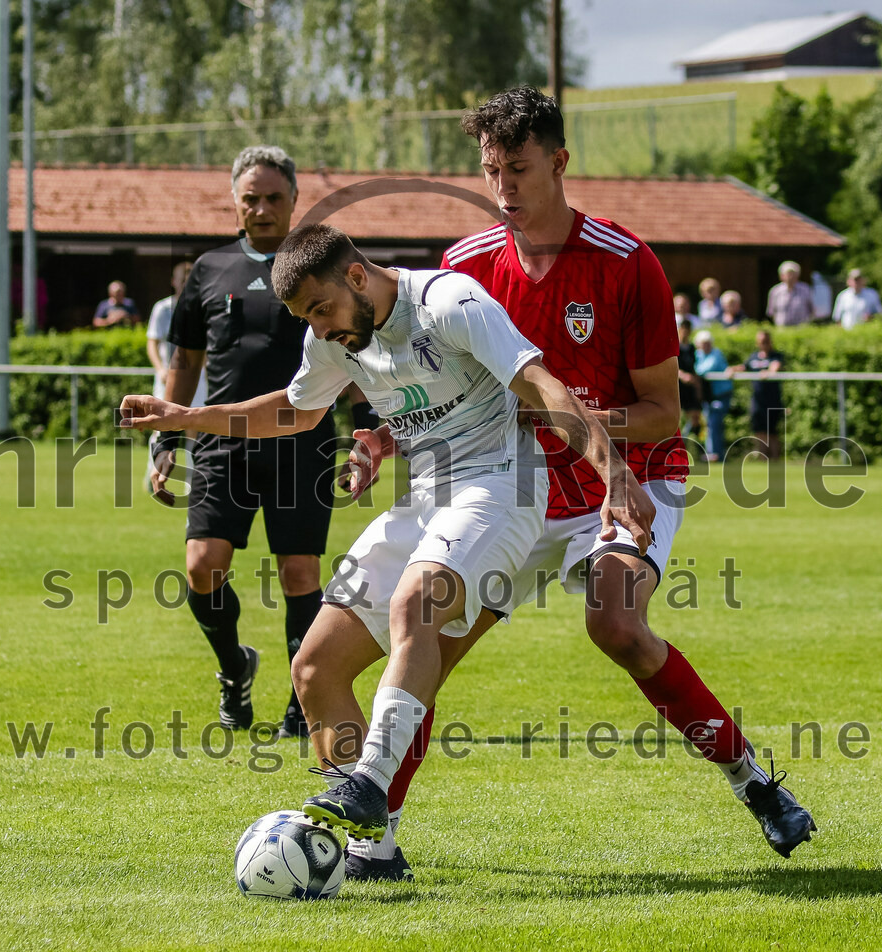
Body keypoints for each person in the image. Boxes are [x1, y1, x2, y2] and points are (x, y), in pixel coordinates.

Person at [344, 86, 815, 875]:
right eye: (492, 172)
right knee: (431, 641)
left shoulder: (629, 265)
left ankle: (753, 780)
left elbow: (664, 413)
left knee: (617, 626)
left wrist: (573, 423)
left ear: (560, 163)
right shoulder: (466, 267)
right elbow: (449, 396)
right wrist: (388, 435)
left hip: (630, 478)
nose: (504, 190)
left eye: (519, 170)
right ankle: (377, 835)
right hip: (514, 487)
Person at [120, 221, 655, 855]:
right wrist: (187, 416)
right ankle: (368, 852)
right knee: (314, 667)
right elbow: (296, 409)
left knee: (414, 602)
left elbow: (542, 386)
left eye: (321, 310)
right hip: (426, 498)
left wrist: (614, 472)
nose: (319, 329)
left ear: (355, 276)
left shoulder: (449, 302)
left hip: (502, 488)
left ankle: (370, 787)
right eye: (306, 319)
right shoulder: (331, 337)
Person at [148, 145, 338, 739]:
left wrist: (364, 434)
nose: (261, 209)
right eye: (250, 198)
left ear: (294, 201)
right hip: (222, 443)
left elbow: (356, 352)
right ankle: (235, 668)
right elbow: (184, 360)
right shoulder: (208, 270)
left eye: (273, 198)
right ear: (235, 201)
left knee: (300, 573)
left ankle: (303, 701)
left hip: (303, 442)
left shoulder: (324, 264)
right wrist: (165, 440)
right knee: (203, 566)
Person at [144, 261, 206, 490]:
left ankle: (194, 480)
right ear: (174, 282)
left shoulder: (202, 309)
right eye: (182, 281)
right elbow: (153, 342)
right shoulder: (163, 309)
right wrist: (160, 369)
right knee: (161, 425)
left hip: (196, 379)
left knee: (195, 428)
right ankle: (154, 475)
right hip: (167, 379)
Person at [728, 330, 784, 459]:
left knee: (773, 432)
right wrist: (732, 369)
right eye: (761, 342)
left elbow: (776, 366)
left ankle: (775, 459)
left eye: (765, 341)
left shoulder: (775, 356)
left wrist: (769, 372)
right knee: (759, 431)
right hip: (757, 400)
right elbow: (743, 367)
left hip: (773, 399)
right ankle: (763, 458)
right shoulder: (753, 357)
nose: (763, 344)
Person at [694, 329, 733, 463]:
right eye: (703, 343)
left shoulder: (716, 354)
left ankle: (716, 454)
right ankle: (711, 453)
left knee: (715, 423)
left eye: (707, 343)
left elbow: (703, 369)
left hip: (721, 394)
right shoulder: (698, 354)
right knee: (708, 424)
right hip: (708, 396)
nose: (706, 346)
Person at [676, 318, 703, 452]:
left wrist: (697, 387)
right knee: (677, 419)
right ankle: (678, 446)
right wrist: (682, 375)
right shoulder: (676, 347)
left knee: (695, 418)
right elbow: (673, 367)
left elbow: (694, 368)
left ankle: (690, 446)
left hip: (690, 386)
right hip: (678, 387)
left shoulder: (691, 348)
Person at [766, 261, 813, 327]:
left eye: (793, 273)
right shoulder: (775, 291)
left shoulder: (805, 289)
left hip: (802, 330)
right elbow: (771, 313)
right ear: (781, 276)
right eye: (788, 273)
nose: (791, 276)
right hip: (782, 330)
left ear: (798, 275)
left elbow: (813, 310)